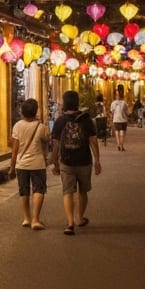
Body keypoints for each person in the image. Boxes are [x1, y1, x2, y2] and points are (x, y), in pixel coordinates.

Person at [50, 90, 101, 236]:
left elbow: (55, 144)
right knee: (82, 191)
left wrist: (55, 162)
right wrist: (97, 160)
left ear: (65, 102)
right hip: (84, 161)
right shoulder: (86, 119)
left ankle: (70, 222)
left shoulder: (60, 121)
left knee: (67, 192)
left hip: (66, 162)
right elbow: (93, 140)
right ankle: (79, 218)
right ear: (77, 102)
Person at [8, 98, 50, 230]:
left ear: (22, 112)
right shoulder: (41, 127)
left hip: (21, 164)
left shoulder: (17, 126)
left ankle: (26, 218)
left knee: (24, 191)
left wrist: (12, 166)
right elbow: (47, 141)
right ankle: (35, 220)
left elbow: (14, 149)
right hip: (37, 163)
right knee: (38, 189)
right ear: (36, 111)